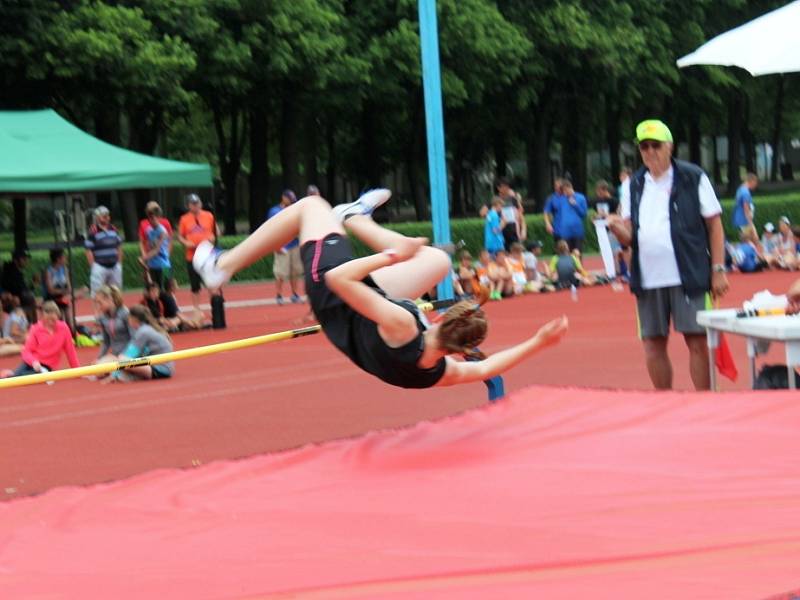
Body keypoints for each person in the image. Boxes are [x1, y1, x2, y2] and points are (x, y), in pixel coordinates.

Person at [192, 189, 568, 389]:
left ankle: (219, 267)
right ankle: (355, 215)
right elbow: (485, 367)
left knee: (311, 206)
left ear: (442, 320)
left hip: (335, 292)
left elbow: (342, 279)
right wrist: (538, 342)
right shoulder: (440, 372)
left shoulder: (404, 324)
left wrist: (390, 255)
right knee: (437, 261)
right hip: (365, 311)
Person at [607, 119, 728, 391]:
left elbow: (715, 225)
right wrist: (616, 228)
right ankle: (665, 402)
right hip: (648, 277)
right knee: (652, 344)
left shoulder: (692, 177)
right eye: (644, 146)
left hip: (689, 273)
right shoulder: (632, 185)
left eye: (655, 145)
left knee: (696, 341)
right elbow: (630, 236)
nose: (650, 151)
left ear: (669, 146)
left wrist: (718, 269)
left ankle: (705, 402)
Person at [1, 301, 79, 378]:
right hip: (31, 362)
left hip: (46, 367)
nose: (51, 322)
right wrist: (33, 362)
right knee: (14, 377)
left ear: (58, 316)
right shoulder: (36, 329)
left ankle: (9, 374)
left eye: (53, 318)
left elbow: (70, 351)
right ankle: (9, 374)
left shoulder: (64, 328)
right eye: (48, 318)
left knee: (21, 378)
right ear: (42, 316)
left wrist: (77, 371)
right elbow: (27, 351)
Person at [105, 304, 175, 383]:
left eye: (129, 318)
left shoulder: (143, 332)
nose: (128, 320)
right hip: (159, 367)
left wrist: (114, 374)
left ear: (133, 319)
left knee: (121, 358)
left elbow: (127, 355)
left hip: (161, 369)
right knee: (117, 360)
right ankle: (125, 376)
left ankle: (122, 376)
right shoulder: (146, 328)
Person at [178, 193, 221, 316]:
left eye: (197, 203)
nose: (195, 206)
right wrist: (186, 243)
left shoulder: (208, 216)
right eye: (192, 204)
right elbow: (180, 236)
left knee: (211, 283)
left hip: (207, 254)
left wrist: (213, 238)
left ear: (200, 204)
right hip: (192, 255)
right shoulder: (184, 219)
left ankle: (215, 309)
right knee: (195, 285)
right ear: (188, 206)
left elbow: (216, 231)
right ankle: (196, 309)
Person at [266, 190, 304, 305]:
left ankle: (295, 294)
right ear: (283, 198)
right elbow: (271, 228)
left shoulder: (295, 209)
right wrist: (275, 245)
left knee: (295, 271)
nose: (292, 203)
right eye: (290, 200)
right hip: (282, 245)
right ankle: (279, 295)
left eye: (293, 201)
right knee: (280, 272)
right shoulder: (274, 211)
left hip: (295, 244)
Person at [85, 205, 123, 295]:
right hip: (99, 267)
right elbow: (88, 250)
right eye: (104, 215)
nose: (106, 217)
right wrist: (93, 266)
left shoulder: (114, 229)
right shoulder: (93, 230)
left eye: (107, 215)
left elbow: (119, 247)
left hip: (114, 266)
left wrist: (119, 264)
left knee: (116, 292)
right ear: (98, 217)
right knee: (97, 293)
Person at [544, 180, 588, 252]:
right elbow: (547, 210)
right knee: (565, 254)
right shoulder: (557, 198)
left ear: (568, 188)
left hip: (577, 231)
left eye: (564, 190)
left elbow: (584, 214)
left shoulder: (581, 197)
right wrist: (548, 223)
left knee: (577, 254)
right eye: (556, 186)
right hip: (564, 232)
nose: (563, 193)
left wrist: (575, 205)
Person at [93, 285, 133, 363]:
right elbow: (106, 342)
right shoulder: (103, 318)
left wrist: (124, 356)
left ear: (109, 299)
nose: (98, 307)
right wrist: (99, 358)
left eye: (100, 302)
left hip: (128, 356)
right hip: (115, 356)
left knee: (102, 369)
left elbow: (134, 339)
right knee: (97, 367)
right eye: (96, 303)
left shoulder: (125, 313)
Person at [139, 201, 173, 290]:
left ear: (158, 217)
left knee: (167, 290)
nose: (151, 221)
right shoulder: (149, 230)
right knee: (154, 290)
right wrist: (145, 263)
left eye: (153, 218)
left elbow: (156, 250)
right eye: (149, 218)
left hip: (164, 265)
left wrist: (144, 258)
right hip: (152, 265)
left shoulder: (162, 231)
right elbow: (149, 247)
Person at [1, 249, 37, 323]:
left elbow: (21, 289)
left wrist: (33, 284)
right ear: (16, 260)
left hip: (16, 298)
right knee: (28, 299)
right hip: (9, 300)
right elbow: (20, 290)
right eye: (23, 259)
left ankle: (32, 325)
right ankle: (32, 325)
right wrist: (33, 285)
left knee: (31, 299)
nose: (26, 261)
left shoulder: (15, 271)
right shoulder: (11, 271)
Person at [43, 248, 73, 329]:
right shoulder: (48, 271)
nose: (66, 259)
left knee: (69, 322)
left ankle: (71, 336)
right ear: (58, 259)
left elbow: (69, 287)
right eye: (64, 257)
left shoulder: (65, 269)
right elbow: (50, 290)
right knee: (60, 320)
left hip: (62, 297)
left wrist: (66, 293)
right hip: (51, 299)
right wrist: (64, 291)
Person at [495, 178, 525, 250]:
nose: (506, 188)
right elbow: (483, 212)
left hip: (513, 231)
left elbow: (521, 214)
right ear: (498, 188)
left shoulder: (512, 199)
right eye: (504, 186)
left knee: (516, 251)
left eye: (507, 186)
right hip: (501, 232)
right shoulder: (495, 200)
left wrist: (523, 230)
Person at [732, 172, 758, 239]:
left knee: (744, 239)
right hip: (744, 220)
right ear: (752, 181)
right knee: (750, 239)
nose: (756, 185)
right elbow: (746, 208)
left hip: (740, 219)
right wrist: (750, 223)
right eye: (756, 182)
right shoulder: (745, 192)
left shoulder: (740, 189)